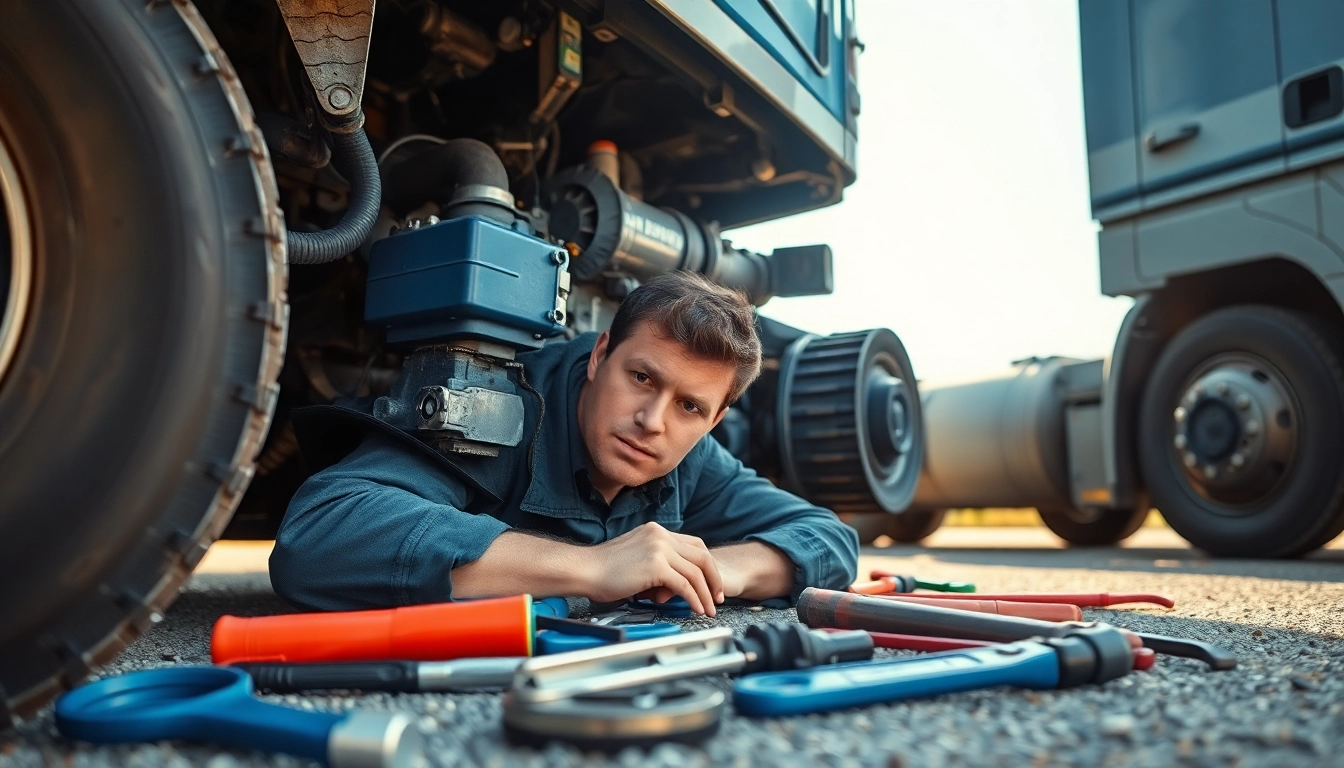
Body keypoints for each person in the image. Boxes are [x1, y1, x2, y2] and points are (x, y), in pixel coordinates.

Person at [270, 271, 859, 613]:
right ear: (600, 355)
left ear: (713, 420)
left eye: (689, 406)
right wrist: (590, 568)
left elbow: (831, 540)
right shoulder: (495, 409)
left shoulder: (693, 454)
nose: (653, 420)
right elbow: (319, 538)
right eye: (642, 377)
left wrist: (711, 571)